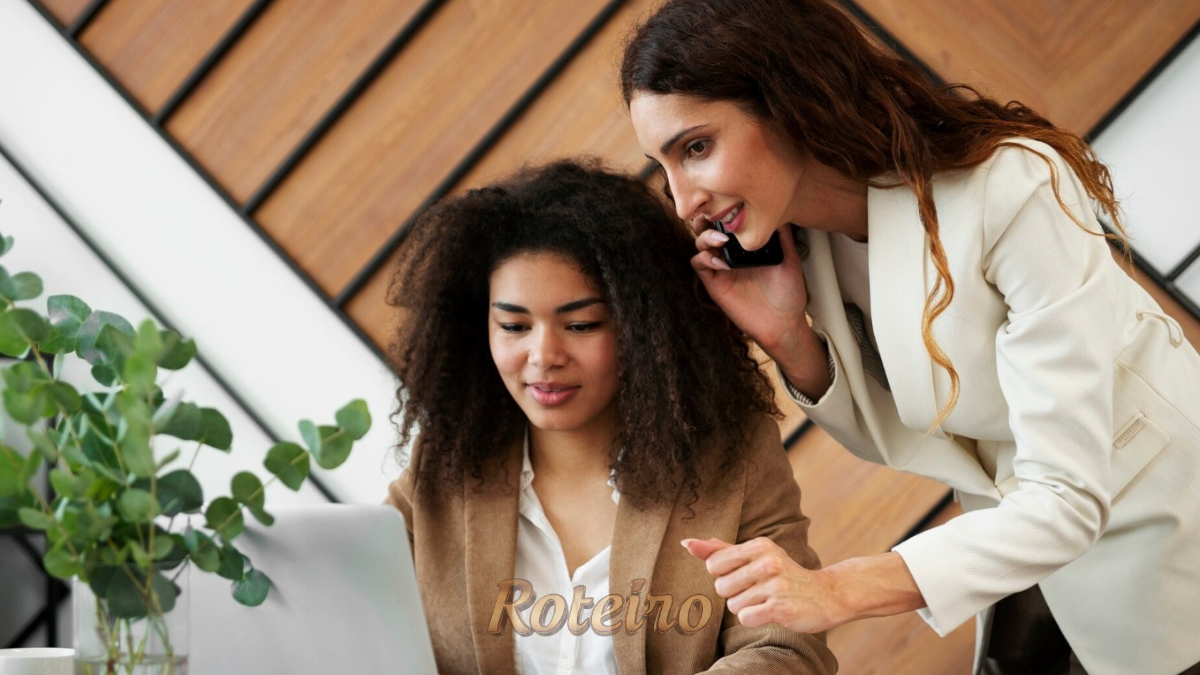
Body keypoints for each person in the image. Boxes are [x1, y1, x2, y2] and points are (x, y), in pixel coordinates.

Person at [619, 1, 1200, 674]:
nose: (684, 197)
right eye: (665, 165)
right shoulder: (814, 249)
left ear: (786, 99)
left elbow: (1067, 498)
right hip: (1031, 560)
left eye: (696, 148)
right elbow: (929, 441)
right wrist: (790, 337)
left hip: (1160, 542)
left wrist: (836, 588)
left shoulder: (1007, 190)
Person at [384, 160, 838, 675]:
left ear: (642, 328)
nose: (543, 355)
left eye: (580, 325)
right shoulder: (442, 470)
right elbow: (350, 617)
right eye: (513, 326)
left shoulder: (733, 461)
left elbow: (787, 648)